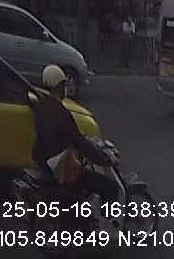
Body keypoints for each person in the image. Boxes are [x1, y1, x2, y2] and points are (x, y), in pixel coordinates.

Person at [33, 65, 118, 203]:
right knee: (110, 187)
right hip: (62, 167)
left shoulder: (41, 106)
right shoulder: (61, 113)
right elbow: (79, 142)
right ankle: (106, 216)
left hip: (45, 163)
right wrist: (103, 159)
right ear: (61, 86)